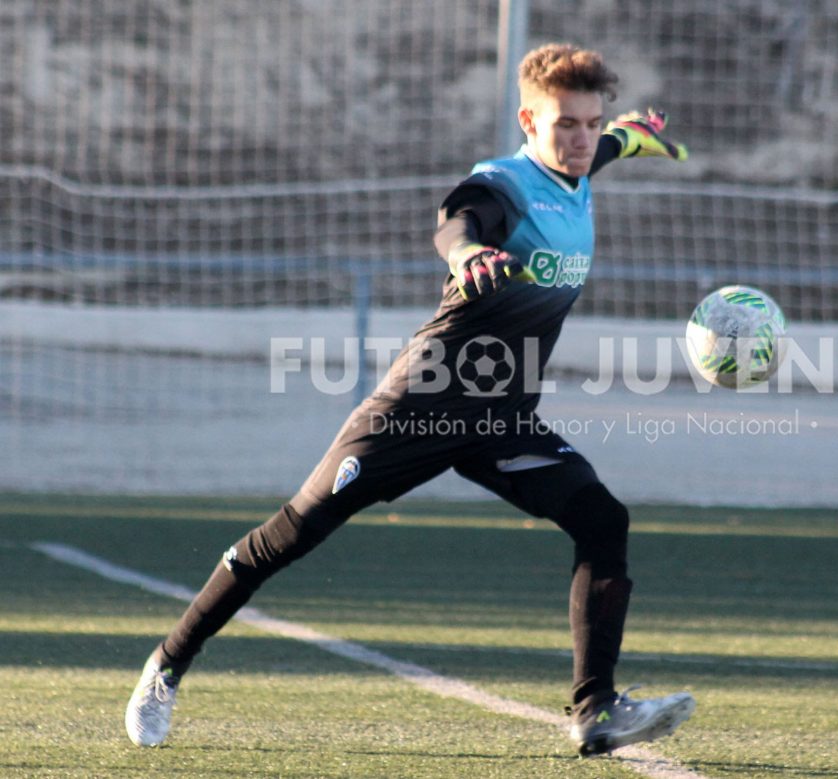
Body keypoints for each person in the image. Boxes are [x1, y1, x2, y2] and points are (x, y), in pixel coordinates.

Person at [125, 42, 694, 758]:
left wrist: (635, 135)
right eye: (564, 125)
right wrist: (467, 255)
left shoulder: (584, 159)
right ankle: (165, 666)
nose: (580, 139)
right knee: (292, 533)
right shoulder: (505, 185)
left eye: (590, 123)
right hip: (419, 405)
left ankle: (596, 709)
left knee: (603, 519)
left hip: (499, 419)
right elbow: (458, 218)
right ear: (527, 121)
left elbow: (609, 145)